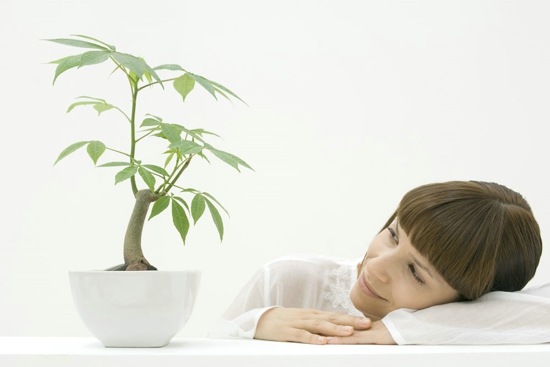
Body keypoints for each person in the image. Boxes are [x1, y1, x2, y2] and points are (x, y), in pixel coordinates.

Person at [208, 181, 550, 344]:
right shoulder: (291, 279)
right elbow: (205, 353)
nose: (376, 267)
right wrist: (254, 324)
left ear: (476, 303)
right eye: (393, 235)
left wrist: (397, 330)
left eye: (415, 272)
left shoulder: (480, 325)